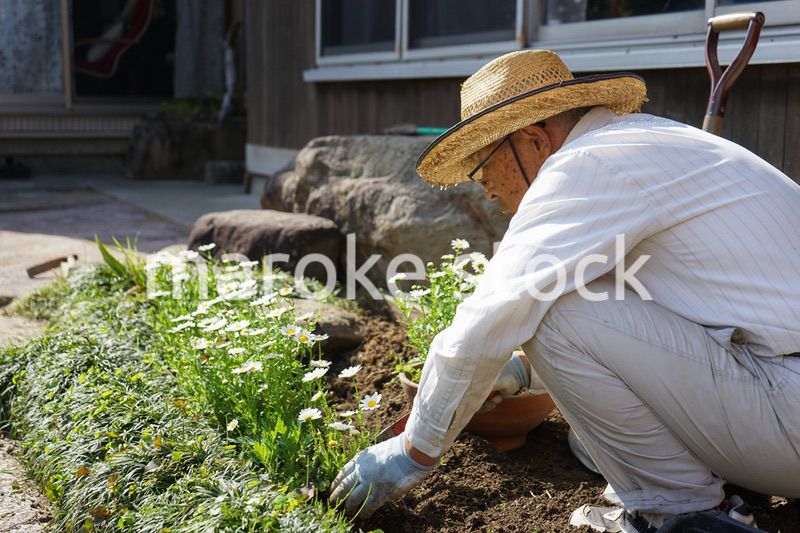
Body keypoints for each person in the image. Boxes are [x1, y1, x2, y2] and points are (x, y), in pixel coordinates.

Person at [329, 49, 800, 531]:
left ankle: (684, 514)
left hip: (790, 420)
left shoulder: (585, 166)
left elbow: (489, 315)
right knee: (572, 315)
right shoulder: (644, 143)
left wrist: (413, 450)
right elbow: (666, 315)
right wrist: (524, 371)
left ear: (532, 139)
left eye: (483, 165)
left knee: (548, 310)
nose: (486, 189)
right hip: (785, 393)